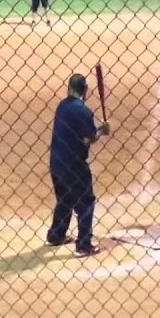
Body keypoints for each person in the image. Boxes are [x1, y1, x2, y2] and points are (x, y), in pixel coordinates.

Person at [46, 73, 111, 257]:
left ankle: (56, 235)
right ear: (85, 90)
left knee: (65, 198)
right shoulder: (83, 111)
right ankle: (83, 245)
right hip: (73, 164)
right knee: (86, 201)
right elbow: (89, 139)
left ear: (69, 88)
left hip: (56, 162)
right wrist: (102, 131)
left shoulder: (62, 106)